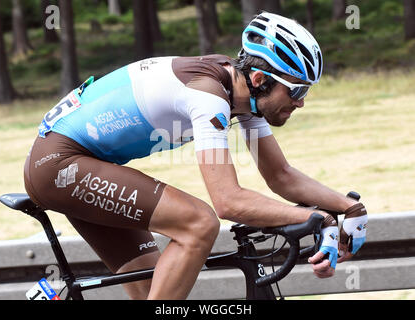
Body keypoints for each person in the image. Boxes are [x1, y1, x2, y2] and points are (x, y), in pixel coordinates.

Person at [24, 12, 367, 300]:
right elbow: (228, 201)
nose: (301, 102)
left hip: (75, 164)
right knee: (199, 223)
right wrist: (314, 219)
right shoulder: (208, 96)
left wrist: (347, 207)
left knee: (154, 289)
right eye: (297, 90)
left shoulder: (240, 93)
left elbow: (281, 176)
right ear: (261, 78)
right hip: (58, 166)